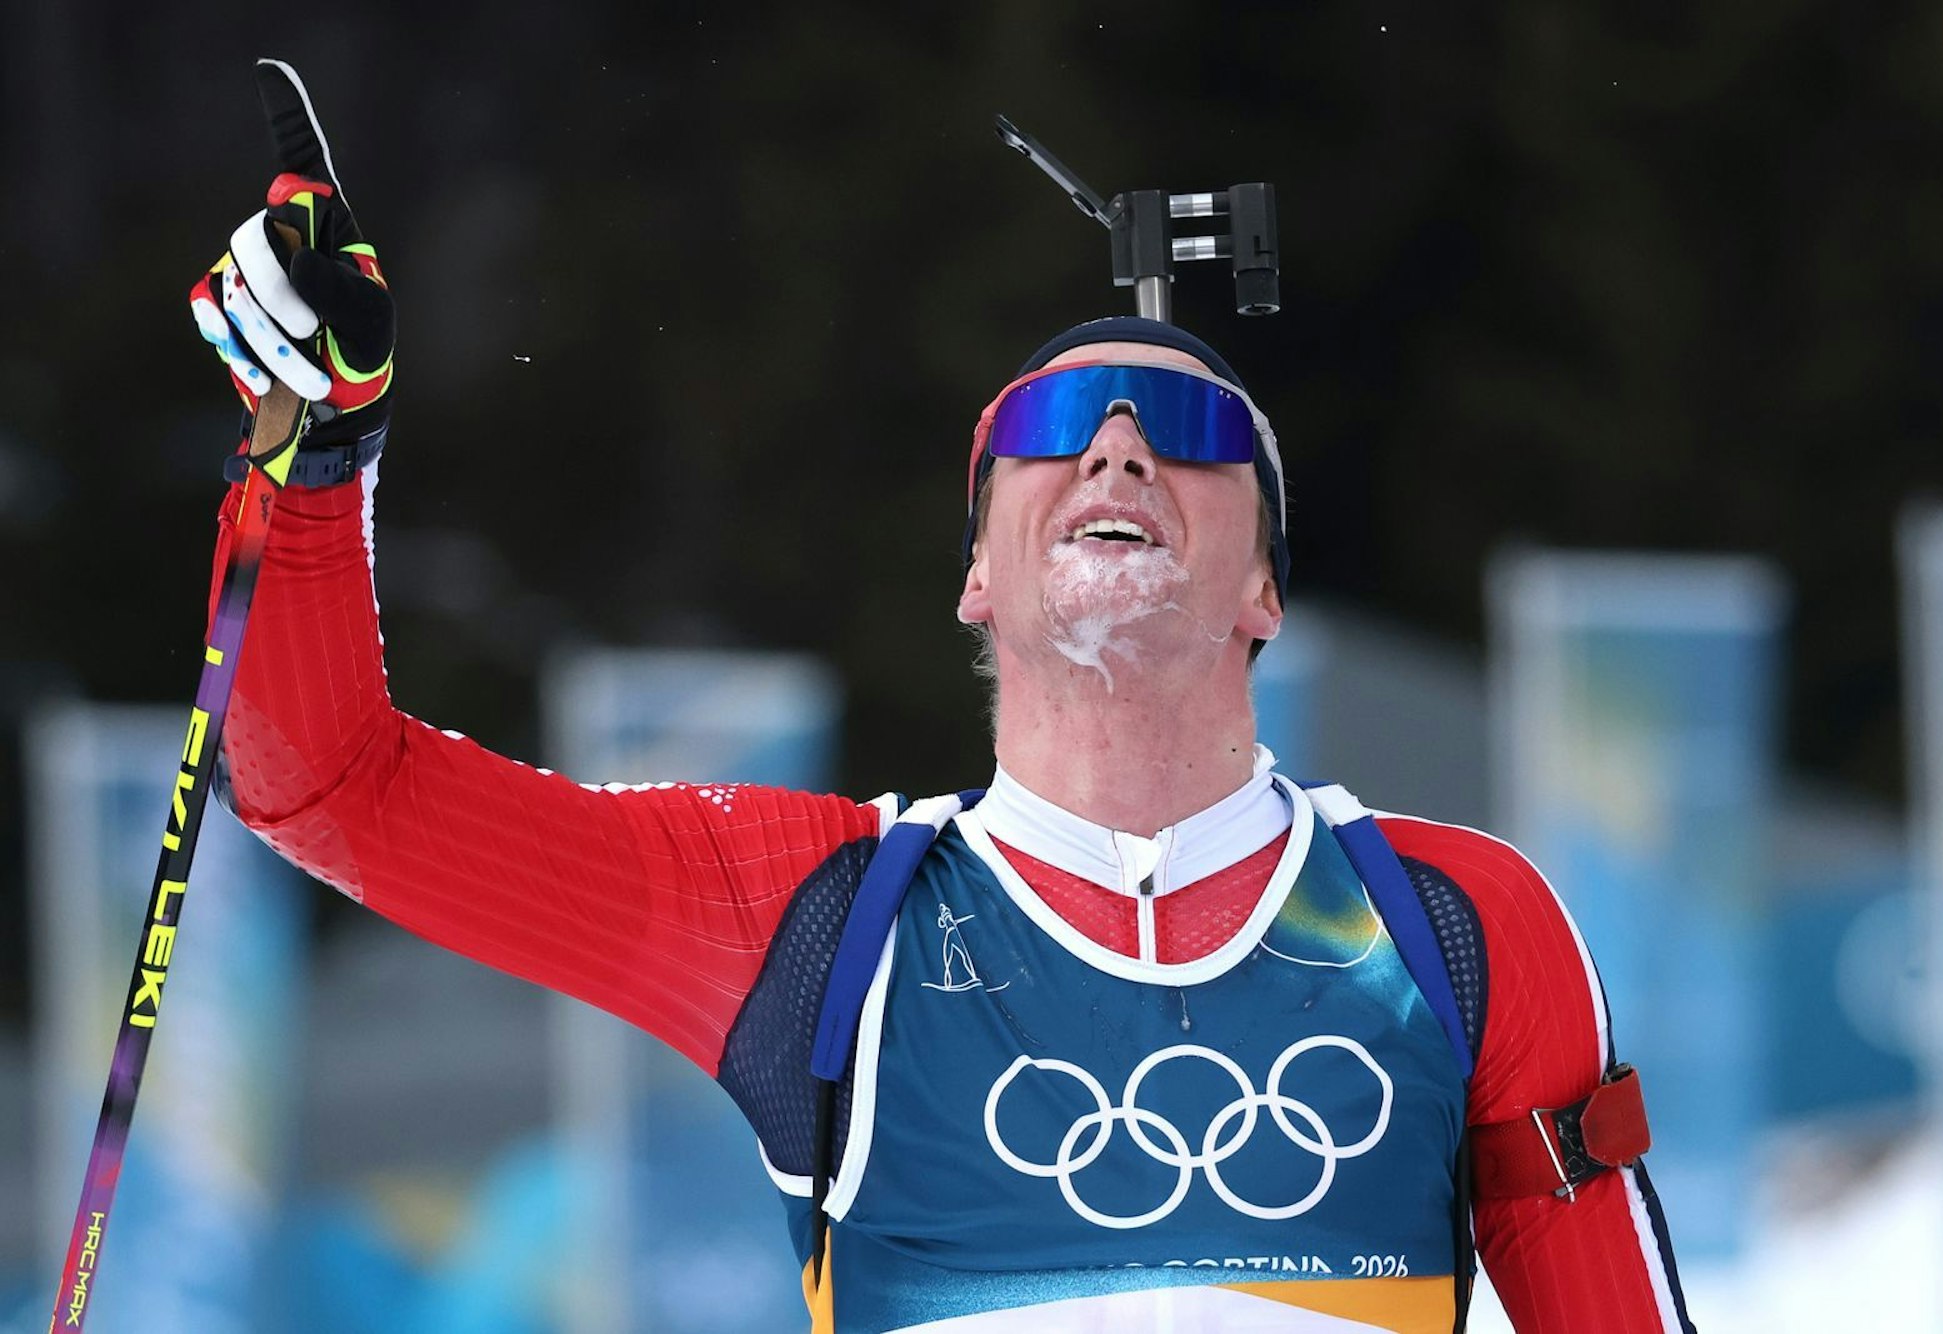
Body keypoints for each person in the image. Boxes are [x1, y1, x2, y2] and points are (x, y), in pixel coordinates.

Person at [193, 66, 1696, 1334]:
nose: (1115, 448)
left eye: (1182, 425)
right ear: (977, 573)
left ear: (1265, 590)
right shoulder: (815, 918)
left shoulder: (1459, 928)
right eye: (1051, 424)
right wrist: (314, 462)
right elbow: (331, 787)